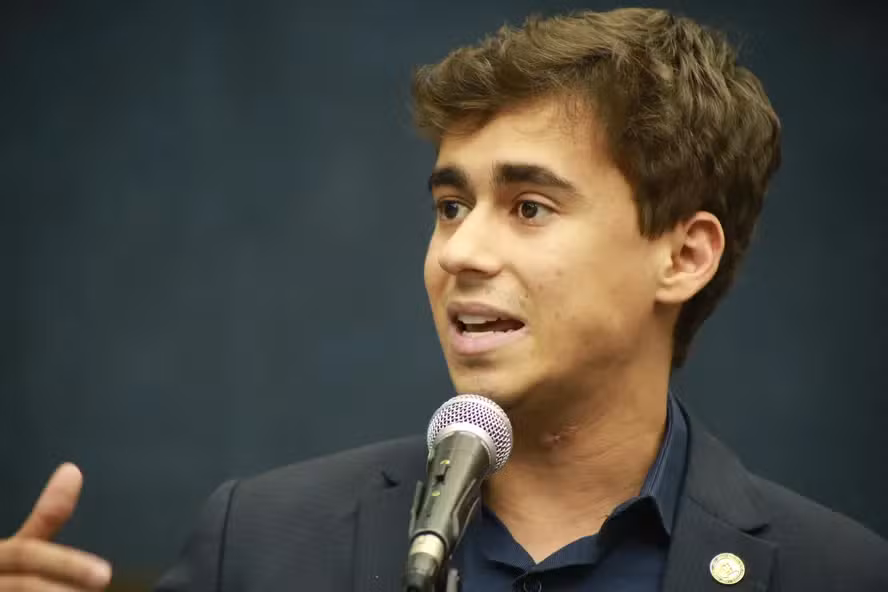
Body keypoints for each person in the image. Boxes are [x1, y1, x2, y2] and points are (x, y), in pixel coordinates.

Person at [3, 7, 887, 592]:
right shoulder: (263, 544)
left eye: (530, 207)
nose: (458, 252)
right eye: (452, 206)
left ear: (683, 257)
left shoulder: (837, 573)